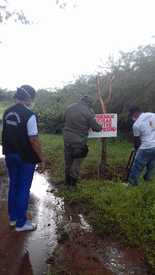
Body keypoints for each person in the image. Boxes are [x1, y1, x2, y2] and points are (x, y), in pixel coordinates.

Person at [2, 85, 45, 231]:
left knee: (13, 185)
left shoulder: (7, 112)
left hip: (10, 154)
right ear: (29, 98)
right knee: (23, 188)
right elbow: (33, 139)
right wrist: (42, 159)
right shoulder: (29, 114)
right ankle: (21, 223)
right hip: (25, 157)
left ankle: (13, 219)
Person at [63, 95, 102, 187]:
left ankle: (67, 182)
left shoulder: (69, 108)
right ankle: (72, 185)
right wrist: (101, 126)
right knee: (76, 163)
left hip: (67, 139)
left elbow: (64, 119)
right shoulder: (88, 112)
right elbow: (96, 128)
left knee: (68, 162)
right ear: (89, 103)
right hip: (79, 142)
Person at [128, 106, 155, 186]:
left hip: (145, 147)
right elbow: (152, 127)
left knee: (137, 166)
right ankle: (148, 179)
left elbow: (137, 141)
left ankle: (132, 183)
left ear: (135, 113)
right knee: (152, 164)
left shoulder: (136, 125)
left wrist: (136, 150)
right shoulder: (152, 115)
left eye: (132, 115)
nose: (133, 117)